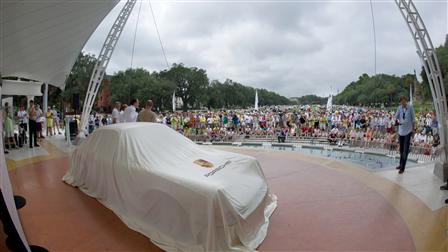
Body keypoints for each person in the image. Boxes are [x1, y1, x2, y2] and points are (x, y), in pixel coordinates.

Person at [395, 96, 415, 174]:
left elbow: (413, 119)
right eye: (401, 102)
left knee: (405, 150)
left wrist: (413, 130)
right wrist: (396, 120)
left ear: (405, 101)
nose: (403, 103)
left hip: (408, 131)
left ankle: (402, 168)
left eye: (404, 102)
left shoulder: (410, 108)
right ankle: (400, 164)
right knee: (401, 150)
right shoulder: (399, 108)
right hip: (401, 131)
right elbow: (396, 116)